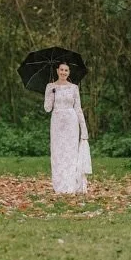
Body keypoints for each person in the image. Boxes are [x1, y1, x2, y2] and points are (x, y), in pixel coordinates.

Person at [44, 62, 91, 194]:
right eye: (61, 70)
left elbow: (78, 108)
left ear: (69, 72)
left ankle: (71, 185)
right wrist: (50, 93)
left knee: (71, 153)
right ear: (57, 71)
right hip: (57, 123)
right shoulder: (50, 86)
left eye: (66, 70)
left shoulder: (74, 88)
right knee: (57, 154)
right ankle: (59, 186)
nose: (63, 72)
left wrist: (84, 129)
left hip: (71, 122)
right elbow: (47, 108)